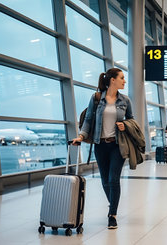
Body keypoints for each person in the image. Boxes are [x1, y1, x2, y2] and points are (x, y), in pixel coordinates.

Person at [72, 68, 132, 229]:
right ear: (113, 80)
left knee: (113, 179)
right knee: (105, 181)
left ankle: (112, 214)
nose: (124, 81)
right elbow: (88, 120)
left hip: (118, 145)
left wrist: (124, 125)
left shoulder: (125, 100)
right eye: (122, 78)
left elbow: (131, 120)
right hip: (100, 145)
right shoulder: (97, 98)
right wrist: (81, 136)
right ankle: (113, 204)